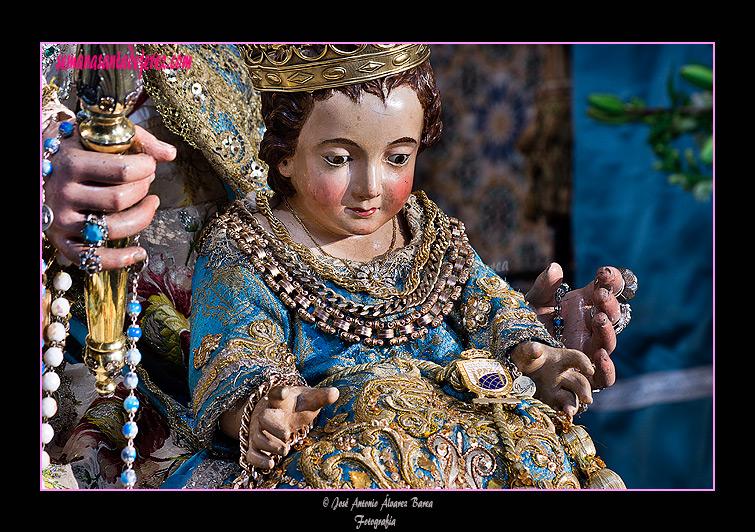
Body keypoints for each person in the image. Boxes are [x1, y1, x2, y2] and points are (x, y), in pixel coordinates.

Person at [41, 44, 632, 489]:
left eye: (398, 157)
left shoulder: (428, 232)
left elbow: (489, 304)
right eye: (340, 160)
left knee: (545, 452)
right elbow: (237, 350)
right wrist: (257, 410)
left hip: (466, 424)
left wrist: (537, 353)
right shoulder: (253, 246)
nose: (371, 186)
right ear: (283, 159)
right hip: (337, 433)